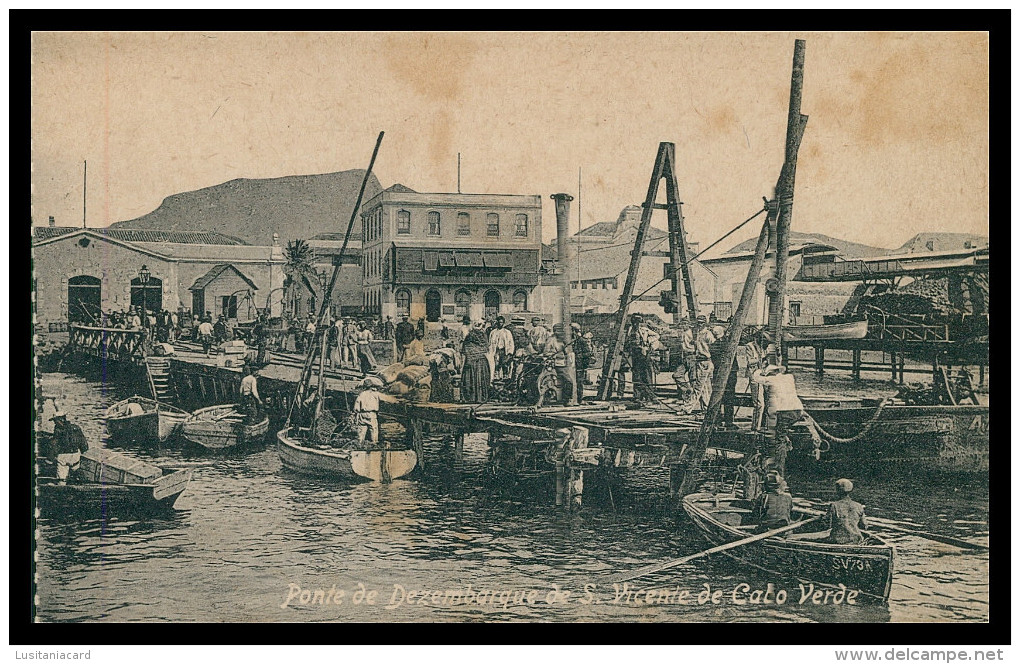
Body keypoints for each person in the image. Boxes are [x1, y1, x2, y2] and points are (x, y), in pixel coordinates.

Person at [750, 363, 805, 478]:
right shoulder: (789, 377)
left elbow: (756, 378)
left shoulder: (772, 380)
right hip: (798, 410)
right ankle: (786, 439)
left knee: (778, 440)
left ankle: (779, 468)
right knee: (782, 431)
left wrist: (758, 371)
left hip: (786, 411)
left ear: (771, 373)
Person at [49, 411, 89, 484]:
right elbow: (84, 444)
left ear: (61, 419)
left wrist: (50, 458)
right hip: (75, 456)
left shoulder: (58, 430)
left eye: (55, 420)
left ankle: (62, 487)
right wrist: (84, 452)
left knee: (61, 479)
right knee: (76, 473)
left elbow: (55, 445)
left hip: (63, 457)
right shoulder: (76, 427)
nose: (54, 423)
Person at [623, 313, 655, 404]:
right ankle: (637, 396)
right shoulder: (630, 330)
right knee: (636, 376)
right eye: (634, 322)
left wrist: (648, 343)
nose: (636, 323)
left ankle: (649, 396)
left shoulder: (644, 330)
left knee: (646, 375)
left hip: (644, 355)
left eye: (638, 322)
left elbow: (656, 336)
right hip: (635, 355)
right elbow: (627, 341)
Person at [826, 478, 867, 544]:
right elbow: (864, 526)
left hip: (838, 540)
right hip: (856, 540)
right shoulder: (859, 506)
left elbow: (828, 525)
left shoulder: (834, 505)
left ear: (838, 491)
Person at [544, 324, 575, 405]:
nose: (561, 333)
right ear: (555, 331)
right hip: (555, 364)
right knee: (568, 381)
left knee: (568, 381)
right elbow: (546, 352)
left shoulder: (562, 340)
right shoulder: (551, 340)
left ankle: (566, 399)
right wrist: (556, 355)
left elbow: (567, 352)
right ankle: (566, 399)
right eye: (559, 331)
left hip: (563, 364)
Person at [460, 322, 491, 403]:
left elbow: (465, 349)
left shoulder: (469, 335)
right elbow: (486, 348)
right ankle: (480, 397)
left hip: (471, 360)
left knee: (470, 378)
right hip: (481, 360)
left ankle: (471, 397)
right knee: (480, 378)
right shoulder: (483, 336)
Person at [353, 376, 383, 446]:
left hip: (362, 414)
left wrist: (356, 412)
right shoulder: (375, 394)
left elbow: (356, 406)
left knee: (361, 431)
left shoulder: (362, 394)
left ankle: (359, 444)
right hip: (371, 414)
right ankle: (374, 444)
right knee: (373, 429)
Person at [487, 316, 515, 381]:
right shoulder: (493, 332)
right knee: (496, 364)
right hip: (496, 350)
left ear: (503, 323)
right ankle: (496, 377)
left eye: (501, 322)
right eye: (499, 322)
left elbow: (511, 342)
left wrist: (510, 352)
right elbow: (490, 342)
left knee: (504, 364)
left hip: (504, 350)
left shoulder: (507, 332)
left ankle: (505, 377)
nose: (500, 324)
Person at [572, 324, 595, 402]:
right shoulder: (572, 341)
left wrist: (579, 357)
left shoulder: (581, 340)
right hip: (572, 364)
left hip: (579, 365)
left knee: (579, 382)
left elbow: (588, 353)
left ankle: (579, 398)